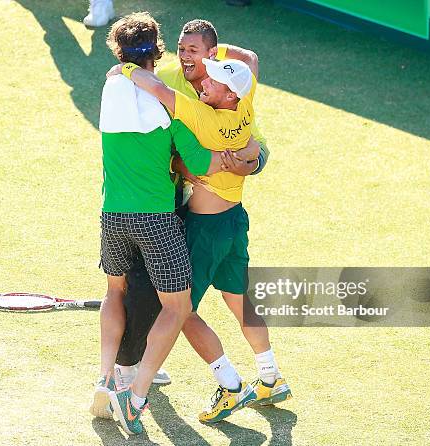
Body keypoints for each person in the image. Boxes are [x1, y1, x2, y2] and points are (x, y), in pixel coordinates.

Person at [111, 19, 291, 424]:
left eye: (211, 75)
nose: (203, 80)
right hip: (235, 223)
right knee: (239, 299)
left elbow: (158, 91)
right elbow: (249, 63)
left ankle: (228, 385)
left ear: (227, 91)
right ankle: (270, 376)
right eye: (184, 51)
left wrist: (124, 68)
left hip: (204, 229)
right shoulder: (243, 102)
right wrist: (244, 156)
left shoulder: (204, 115)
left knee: (178, 310)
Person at [92, 12, 229, 435]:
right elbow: (203, 161)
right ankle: (135, 396)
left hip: (112, 216)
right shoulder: (167, 104)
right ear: (159, 51)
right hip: (156, 221)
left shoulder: (109, 86)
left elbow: (124, 73)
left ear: (119, 52)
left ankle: (105, 379)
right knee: (178, 306)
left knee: (115, 291)